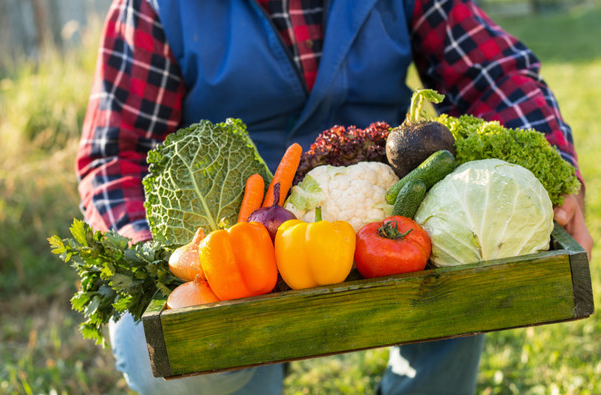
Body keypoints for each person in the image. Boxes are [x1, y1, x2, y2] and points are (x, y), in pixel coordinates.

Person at [76, 0, 593, 393]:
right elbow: (113, 150)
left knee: (469, 254)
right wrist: (157, 251)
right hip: (232, 245)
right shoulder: (157, 8)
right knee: (156, 352)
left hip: (387, 218)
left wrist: (555, 169)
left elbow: (492, 72)